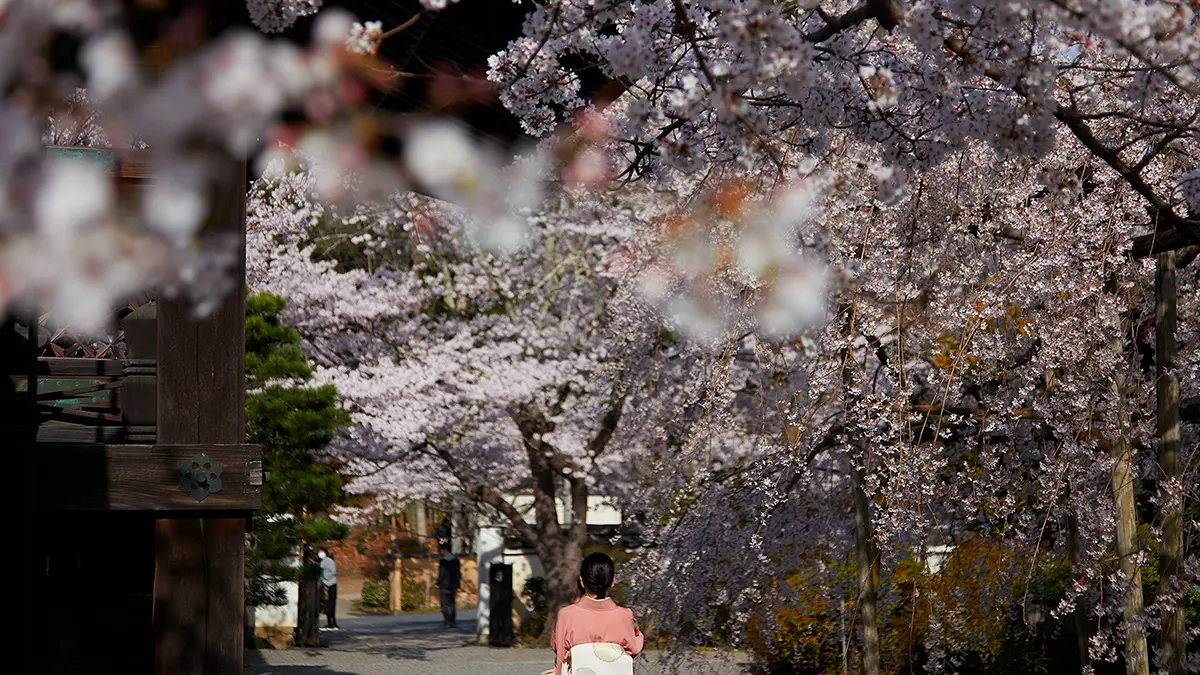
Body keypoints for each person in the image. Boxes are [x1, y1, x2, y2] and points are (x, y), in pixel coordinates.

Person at [551, 553, 644, 675]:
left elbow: (559, 650)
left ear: (582, 582)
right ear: (612, 582)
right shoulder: (625, 616)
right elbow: (635, 647)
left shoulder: (566, 615)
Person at [436, 542, 462, 629]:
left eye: (442, 550)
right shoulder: (456, 560)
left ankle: (447, 620)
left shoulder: (443, 561)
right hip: (453, 584)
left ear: (445, 550)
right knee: (452, 603)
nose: (441, 552)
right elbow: (458, 573)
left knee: (445, 604)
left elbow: (442, 573)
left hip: (444, 584)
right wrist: (458, 584)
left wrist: (438, 583)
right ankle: (452, 620)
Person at [317, 547, 339, 630]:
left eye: (322, 551)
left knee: (331, 604)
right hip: (323, 586)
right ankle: (329, 622)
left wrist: (324, 578)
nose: (320, 553)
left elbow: (333, 572)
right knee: (325, 605)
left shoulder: (329, 561)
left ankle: (334, 622)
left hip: (331, 584)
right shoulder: (319, 562)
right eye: (319, 551)